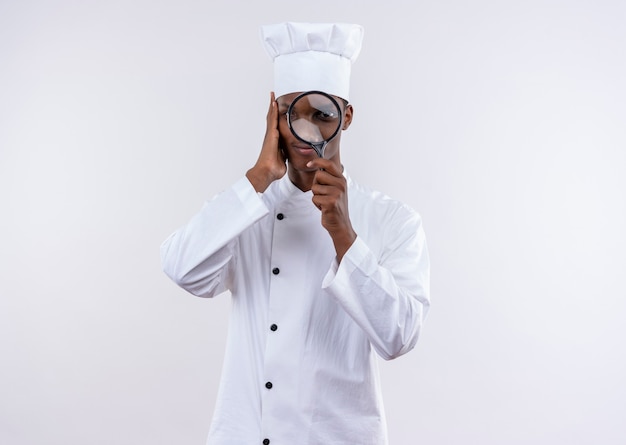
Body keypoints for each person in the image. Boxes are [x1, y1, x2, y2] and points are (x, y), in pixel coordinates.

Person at [161, 22, 430, 445]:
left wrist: (344, 236)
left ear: (346, 116)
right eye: (291, 113)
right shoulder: (247, 209)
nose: (306, 131)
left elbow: (398, 337)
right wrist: (258, 177)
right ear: (274, 116)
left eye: (322, 115)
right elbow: (182, 269)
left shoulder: (392, 220)